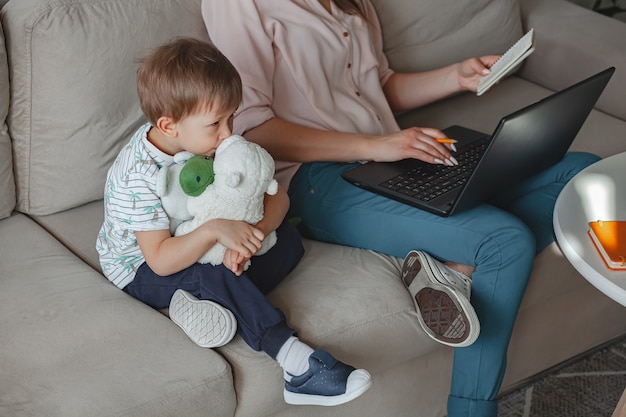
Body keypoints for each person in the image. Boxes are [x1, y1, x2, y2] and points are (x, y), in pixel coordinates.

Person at [201, 1, 601, 416]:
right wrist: (377, 145)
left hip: (396, 157)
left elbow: (376, 85)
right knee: (504, 241)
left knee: (584, 175)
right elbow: (250, 130)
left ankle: (454, 272)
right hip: (317, 180)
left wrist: (456, 76)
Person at [96, 37, 373, 407]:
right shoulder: (138, 175)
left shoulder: (211, 140)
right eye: (216, 123)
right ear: (169, 124)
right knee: (211, 276)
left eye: (231, 117)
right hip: (141, 267)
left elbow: (278, 197)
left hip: (199, 243)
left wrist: (249, 240)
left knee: (288, 239)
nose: (229, 133)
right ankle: (296, 364)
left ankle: (213, 302)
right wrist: (214, 230)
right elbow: (161, 259)